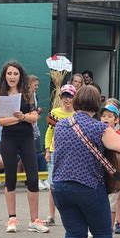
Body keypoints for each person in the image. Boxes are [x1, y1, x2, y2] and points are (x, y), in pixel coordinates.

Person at [52, 85, 120, 238]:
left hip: (60, 186)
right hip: (88, 185)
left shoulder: (61, 125)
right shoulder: (99, 128)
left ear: (77, 101)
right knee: (102, 230)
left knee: (73, 232)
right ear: (97, 105)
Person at [0, 61, 48, 233]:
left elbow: (35, 117)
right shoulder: (1, 95)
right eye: (9, 73)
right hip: (8, 139)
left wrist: (24, 116)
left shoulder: (28, 94)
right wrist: (19, 118)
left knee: (32, 177)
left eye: (15, 74)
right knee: (10, 178)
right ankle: (12, 219)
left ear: (20, 76)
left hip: (26, 138)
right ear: (5, 75)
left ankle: (34, 220)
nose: (12, 77)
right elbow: (0, 121)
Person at [44, 84, 76, 226]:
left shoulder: (77, 114)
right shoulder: (54, 112)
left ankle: (72, 213)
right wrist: (47, 150)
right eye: (64, 96)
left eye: (70, 96)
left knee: (71, 184)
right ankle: (51, 215)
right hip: (55, 151)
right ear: (60, 97)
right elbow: (49, 131)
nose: (67, 99)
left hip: (72, 153)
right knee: (53, 184)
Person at [100, 104, 120, 234]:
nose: (106, 118)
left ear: (116, 120)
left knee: (111, 204)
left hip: (115, 174)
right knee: (99, 202)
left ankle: (108, 230)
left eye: (109, 116)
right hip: (100, 173)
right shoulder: (97, 133)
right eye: (103, 116)